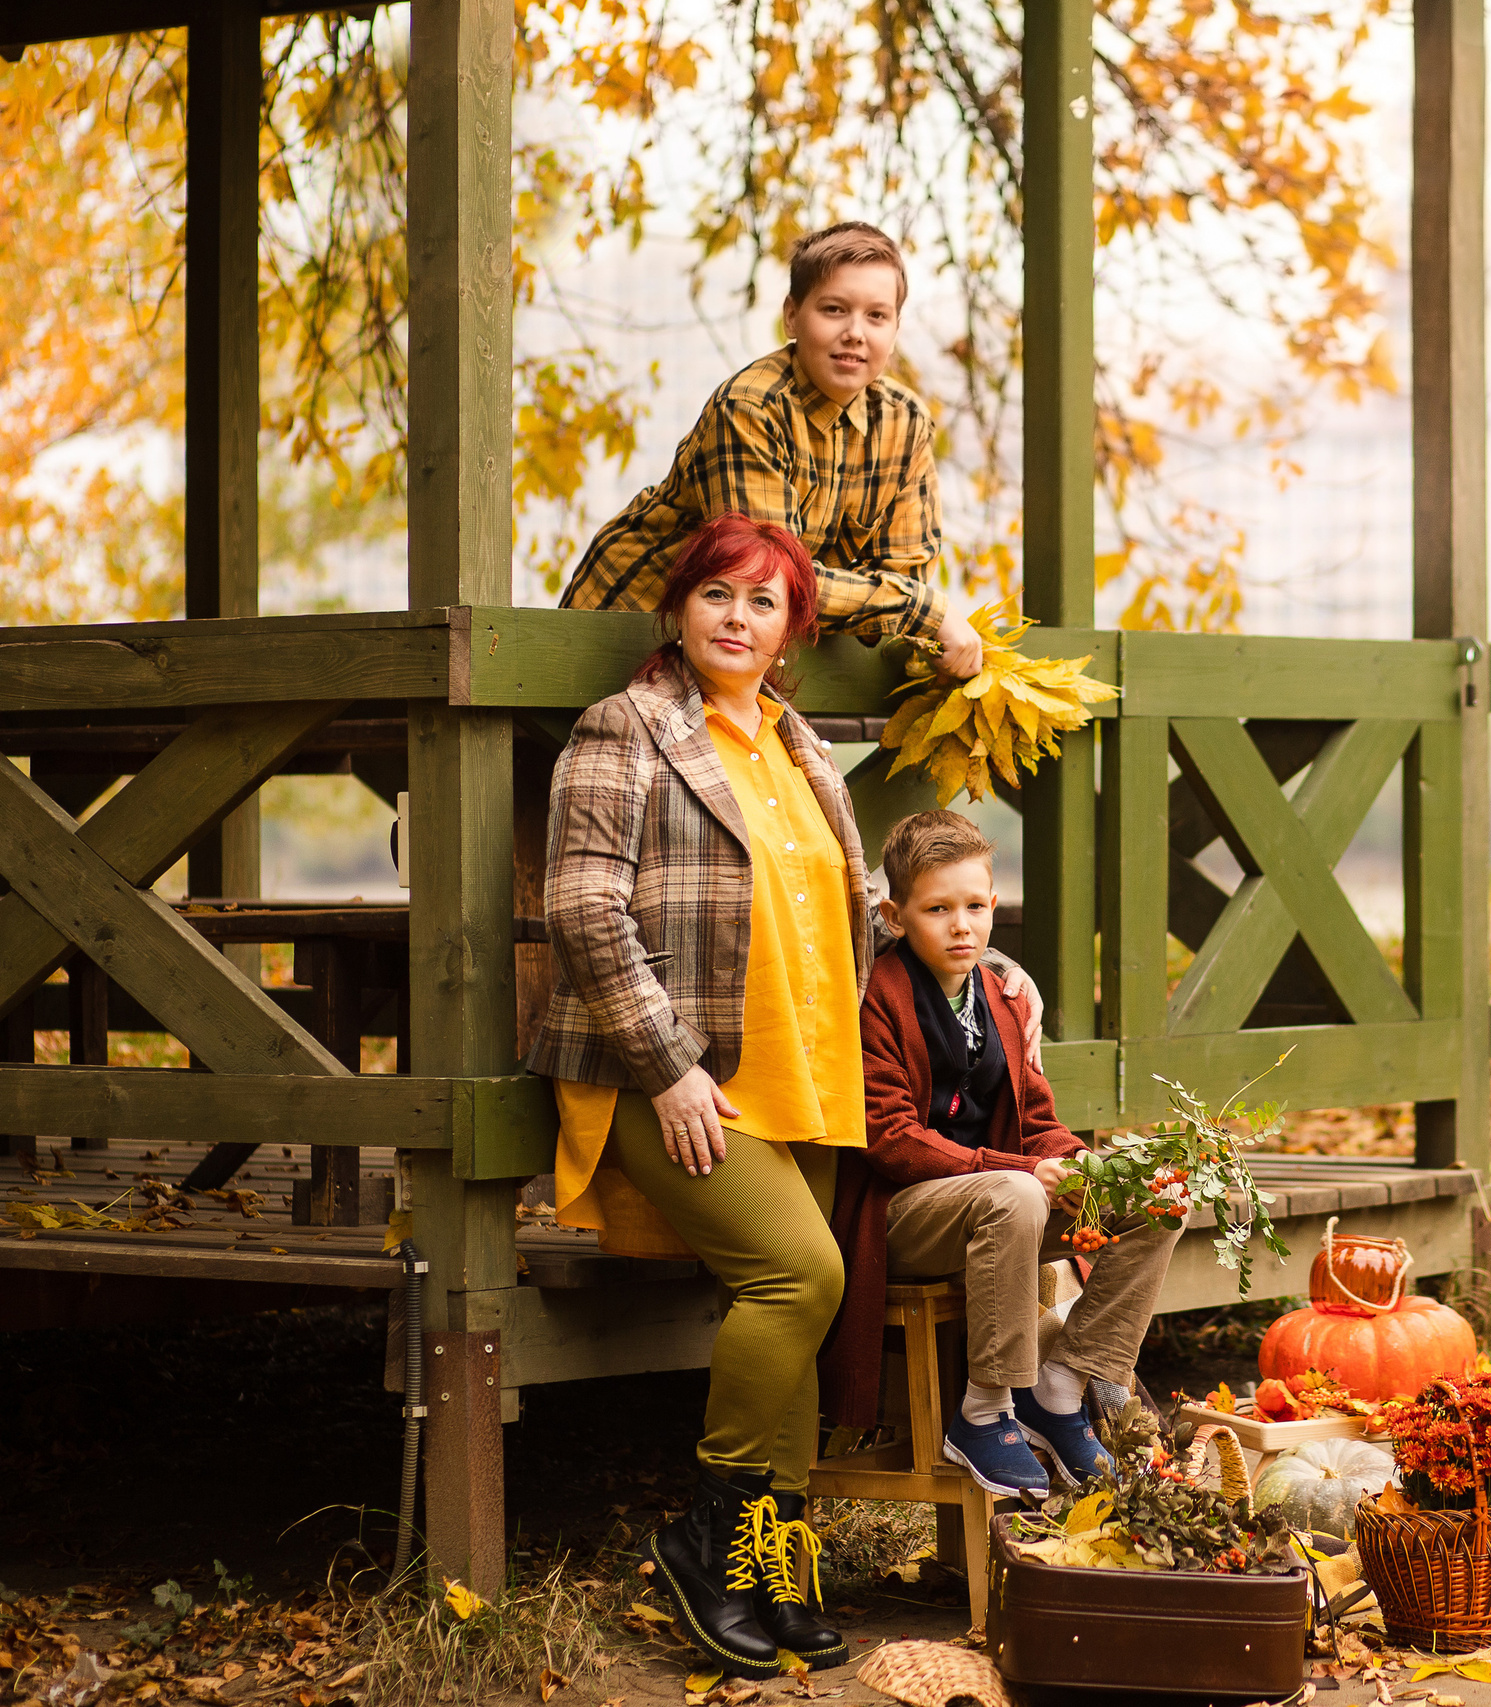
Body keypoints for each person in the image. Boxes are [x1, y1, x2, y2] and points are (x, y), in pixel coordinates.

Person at [528, 516, 1038, 1678]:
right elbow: (583, 910)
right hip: (671, 1077)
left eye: (764, 604)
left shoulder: (796, 744)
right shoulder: (628, 728)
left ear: (790, 627)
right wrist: (667, 1065)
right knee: (796, 1274)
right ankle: (706, 1544)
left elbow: (845, 906)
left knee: (810, 1300)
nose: (737, 619)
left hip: (799, 1075)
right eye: (718, 594)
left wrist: (973, 966)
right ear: (679, 609)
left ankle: (774, 1555)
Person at [845, 811, 1182, 1498]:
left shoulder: (1001, 994)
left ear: (994, 905)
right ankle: (983, 1408)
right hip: (904, 1213)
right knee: (1019, 1192)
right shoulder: (877, 995)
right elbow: (890, 1138)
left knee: (1158, 1196)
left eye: (974, 905)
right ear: (895, 913)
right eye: (937, 908)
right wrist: (1021, 1170)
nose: (961, 925)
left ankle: (1060, 1384)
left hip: (1001, 1200)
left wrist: (1081, 1162)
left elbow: (1037, 1121)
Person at [557, 221, 986, 683]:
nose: (855, 333)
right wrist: (921, 610)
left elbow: (903, 572)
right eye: (834, 309)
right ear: (791, 316)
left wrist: (907, 608)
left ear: (896, 328)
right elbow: (769, 578)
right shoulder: (751, 408)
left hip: (743, 658)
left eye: (876, 316)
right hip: (619, 640)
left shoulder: (905, 422)